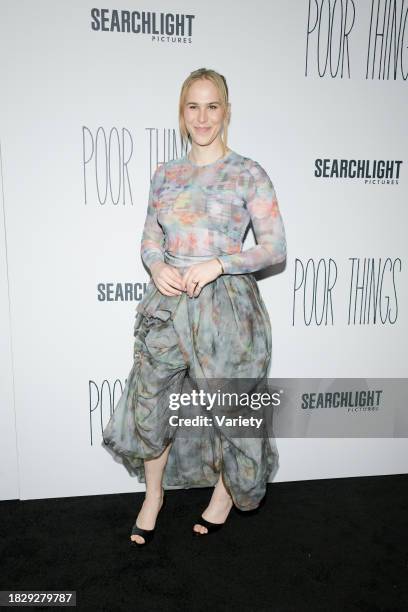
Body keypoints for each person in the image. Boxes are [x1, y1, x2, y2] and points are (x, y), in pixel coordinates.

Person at [101, 67, 287, 545]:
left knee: (231, 405)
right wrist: (157, 264)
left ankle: (224, 494)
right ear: (182, 114)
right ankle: (153, 495)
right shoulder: (165, 174)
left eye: (212, 106)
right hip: (168, 304)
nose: (202, 117)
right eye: (193, 106)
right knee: (151, 401)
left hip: (226, 310)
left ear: (226, 112)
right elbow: (148, 239)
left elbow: (274, 248)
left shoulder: (248, 172)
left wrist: (221, 264)